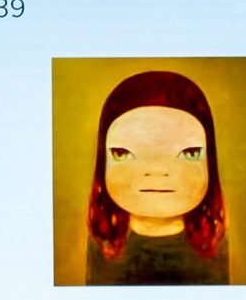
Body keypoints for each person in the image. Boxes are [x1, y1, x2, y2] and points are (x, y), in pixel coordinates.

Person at [82, 70, 231, 286]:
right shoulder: (103, 240)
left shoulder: (215, 240)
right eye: (122, 153)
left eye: (189, 153)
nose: (157, 171)